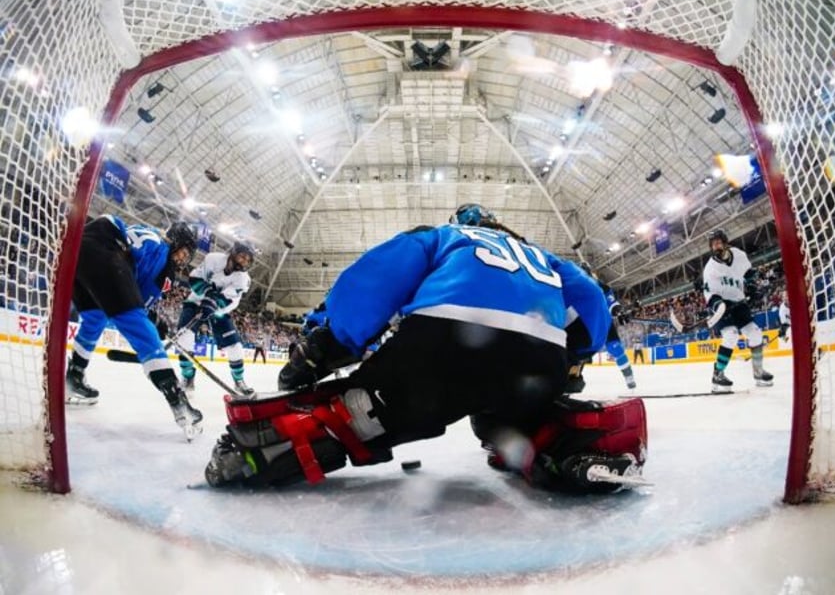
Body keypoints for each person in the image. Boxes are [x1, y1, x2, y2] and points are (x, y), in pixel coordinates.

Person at [203, 203, 647, 494]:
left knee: (357, 415)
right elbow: (590, 298)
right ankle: (562, 443)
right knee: (512, 414)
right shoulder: (544, 257)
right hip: (540, 356)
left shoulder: (445, 237)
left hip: (445, 344)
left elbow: (378, 279)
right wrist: (574, 359)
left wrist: (329, 343)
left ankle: (257, 450)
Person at [66, 215, 203, 439]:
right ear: (175, 242)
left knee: (95, 318)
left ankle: (74, 376)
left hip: (84, 241)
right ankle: (179, 401)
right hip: (108, 251)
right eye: (184, 252)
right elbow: (136, 308)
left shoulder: (148, 234)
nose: (182, 259)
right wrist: (154, 323)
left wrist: (150, 316)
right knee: (141, 329)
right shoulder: (164, 261)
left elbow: (123, 292)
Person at [176, 241, 256, 396]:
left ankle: (239, 381)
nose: (245, 262)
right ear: (234, 252)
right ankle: (187, 378)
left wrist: (212, 303)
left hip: (220, 310)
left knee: (235, 348)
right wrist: (207, 294)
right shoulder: (213, 259)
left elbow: (227, 300)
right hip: (195, 301)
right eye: (242, 257)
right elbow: (194, 279)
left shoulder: (243, 279)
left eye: (248, 260)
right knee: (184, 339)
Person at [702, 229, 773, 392]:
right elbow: (709, 293)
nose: (716, 246)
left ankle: (758, 372)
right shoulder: (710, 268)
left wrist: (753, 287)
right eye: (713, 245)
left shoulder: (738, 255)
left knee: (755, 333)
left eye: (718, 242)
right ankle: (718, 374)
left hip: (739, 303)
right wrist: (718, 305)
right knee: (731, 335)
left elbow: (748, 273)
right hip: (722, 306)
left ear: (725, 242)